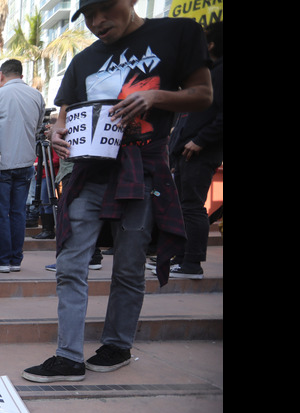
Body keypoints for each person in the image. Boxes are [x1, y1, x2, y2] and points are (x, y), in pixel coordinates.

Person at [22, 0, 213, 383]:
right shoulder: (83, 60)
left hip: (144, 168)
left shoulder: (176, 33)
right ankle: (68, 356)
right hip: (90, 170)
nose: (96, 22)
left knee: (128, 264)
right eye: (89, 15)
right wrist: (58, 134)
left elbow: (203, 94)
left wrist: (157, 97)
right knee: (71, 262)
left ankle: (117, 344)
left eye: (105, 10)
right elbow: (64, 118)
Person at [167, 20, 222, 280]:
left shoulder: (220, 72)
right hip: (185, 150)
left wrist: (200, 140)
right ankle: (181, 258)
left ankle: (192, 263)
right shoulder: (207, 73)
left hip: (199, 151)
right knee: (182, 206)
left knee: (191, 206)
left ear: (210, 44)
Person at [0, 59, 46, 273]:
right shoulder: (37, 96)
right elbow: (38, 127)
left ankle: (1, 259)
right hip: (26, 161)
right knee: (18, 211)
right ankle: (15, 259)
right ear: (21, 75)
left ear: (1, 75)